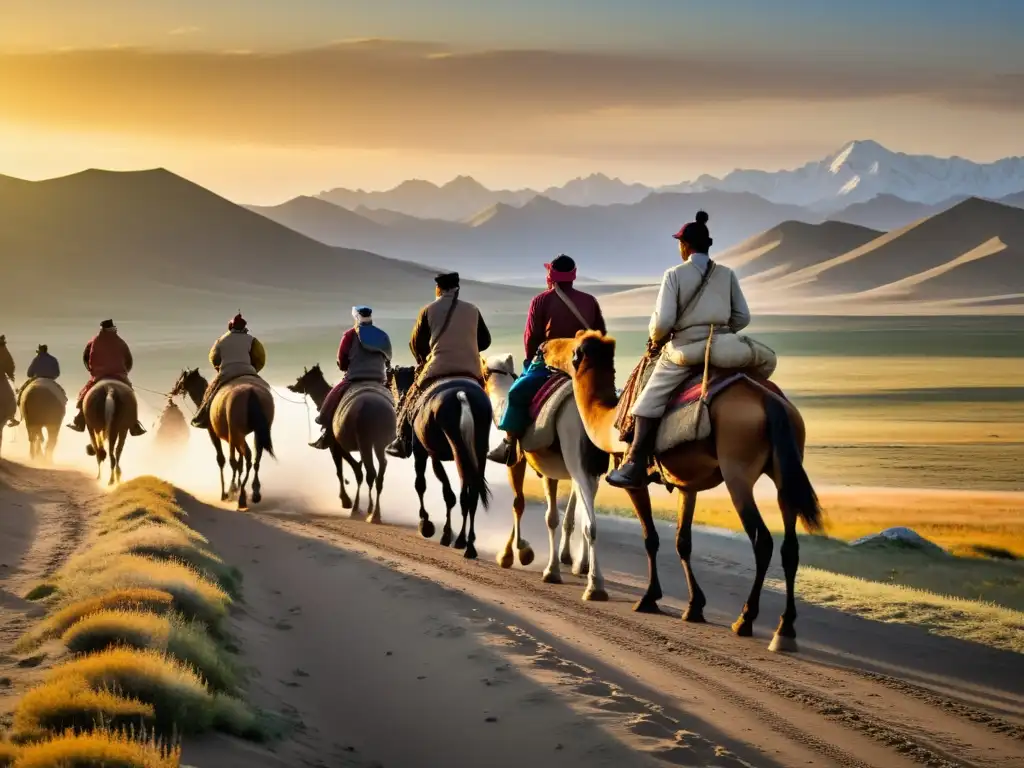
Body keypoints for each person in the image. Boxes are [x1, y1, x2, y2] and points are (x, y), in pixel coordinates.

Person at [606, 211, 752, 489]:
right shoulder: (727, 274)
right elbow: (742, 317)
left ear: (684, 245)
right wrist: (720, 331)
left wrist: (657, 339)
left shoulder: (674, 274)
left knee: (646, 400)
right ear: (708, 245)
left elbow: (662, 322)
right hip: (723, 345)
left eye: (679, 242)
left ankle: (635, 463)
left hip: (685, 350)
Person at [488, 254, 607, 465]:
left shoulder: (541, 300)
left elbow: (531, 338)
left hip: (551, 363)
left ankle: (509, 444)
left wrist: (530, 363)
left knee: (516, 393)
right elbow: (601, 334)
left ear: (550, 275)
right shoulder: (590, 301)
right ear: (574, 275)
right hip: (585, 365)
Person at [386, 272, 492, 459]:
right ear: (457, 289)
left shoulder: (428, 310)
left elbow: (415, 344)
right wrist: (468, 348)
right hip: (471, 369)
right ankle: (487, 441)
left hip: (438, 368)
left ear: (438, 289)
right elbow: (485, 341)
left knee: (410, 397)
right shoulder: (473, 309)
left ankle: (403, 440)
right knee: (485, 397)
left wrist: (424, 359)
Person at [310, 306, 393, 449]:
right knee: (398, 401)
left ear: (356, 318)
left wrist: (344, 366)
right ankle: (403, 435)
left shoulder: (349, 335)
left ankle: (326, 428)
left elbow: (342, 361)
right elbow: (388, 359)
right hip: (379, 379)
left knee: (333, 396)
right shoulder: (382, 335)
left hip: (355, 378)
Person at [67, 320, 147, 435]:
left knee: (85, 393)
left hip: (99, 375)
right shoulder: (121, 342)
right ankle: (134, 425)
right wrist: (124, 373)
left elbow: (87, 359)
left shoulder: (94, 341)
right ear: (113, 329)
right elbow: (129, 361)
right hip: (119, 375)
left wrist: (92, 371)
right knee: (130, 395)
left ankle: (80, 420)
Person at [191, 313, 267, 430]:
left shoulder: (220, 340)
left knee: (209, 394)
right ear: (244, 327)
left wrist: (219, 368)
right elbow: (261, 358)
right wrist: (253, 370)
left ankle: (202, 418)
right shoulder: (252, 340)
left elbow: (213, 357)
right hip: (248, 371)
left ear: (230, 326)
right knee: (266, 389)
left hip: (226, 372)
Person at [9, 344, 62, 427]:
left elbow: (29, 373)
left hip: (36, 379)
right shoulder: (53, 359)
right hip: (50, 380)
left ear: (39, 351)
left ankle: (18, 416)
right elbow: (57, 373)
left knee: (20, 394)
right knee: (62, 395)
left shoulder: (36, 359)